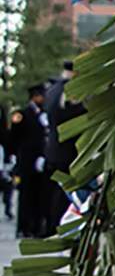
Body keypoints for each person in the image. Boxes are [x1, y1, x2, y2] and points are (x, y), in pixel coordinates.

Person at [44, 61, 85, 233]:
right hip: (68, 150)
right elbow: (73, 115)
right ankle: (62, 228)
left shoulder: (53, 89)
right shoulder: (69, 90)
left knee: (56, 193)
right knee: (66, 195)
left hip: (54, 149)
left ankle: (52, 226)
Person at [15, 85, 49, 238]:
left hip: (40, 160)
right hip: (27, 161)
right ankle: (24, 227)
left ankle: (37, 226)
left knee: (39, 195)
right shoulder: (23, 114)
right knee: (26, 196)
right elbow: (14, 138)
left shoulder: (44, 114)